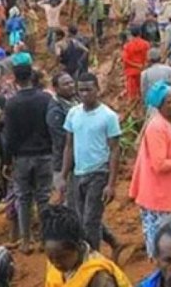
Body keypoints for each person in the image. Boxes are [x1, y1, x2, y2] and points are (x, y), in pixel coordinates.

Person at [58, 72, 122, 254]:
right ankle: (113, 243)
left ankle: (92, 259)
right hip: (78, 174)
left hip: (99, 173)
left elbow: (115, 149)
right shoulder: (73, 114)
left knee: (89, 222)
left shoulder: (108, 116)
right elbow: (69, 145)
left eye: (89, 90)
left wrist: (111, 184)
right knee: (82, 218)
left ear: (98, 90)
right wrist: (63, 175)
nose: (85, 94)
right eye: (81, 90)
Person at [130, 81, 171, 257]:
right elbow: (159, 164)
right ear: (160, 107)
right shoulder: (156, 127)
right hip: (160, 196)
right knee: (165, 248)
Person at [3, 63, 53, 254]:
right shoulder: (45, 99)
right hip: (45, 154)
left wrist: (7, 161)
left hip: (22, 158)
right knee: (44, 196)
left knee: (23, 198)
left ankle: (26, 240)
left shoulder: (12, 103)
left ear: (15, 80)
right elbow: (51, 127)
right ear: (32, 77)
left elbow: (9, 136)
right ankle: (45, 238)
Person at [42, 205, 131, 287]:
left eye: (62, 257)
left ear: (79, 246)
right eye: (50, 258)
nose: (56, 263)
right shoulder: (58, 261)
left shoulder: (99, 277)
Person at [123, 27, 151, 101]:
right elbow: (148, 57)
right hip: (143, 70)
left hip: (131, 72)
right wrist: (143, 65)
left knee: (132, 95)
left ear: (131, 35)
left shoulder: (127, 46)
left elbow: (125, 60)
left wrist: (135, 65)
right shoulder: (146, 44)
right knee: (143, 91)